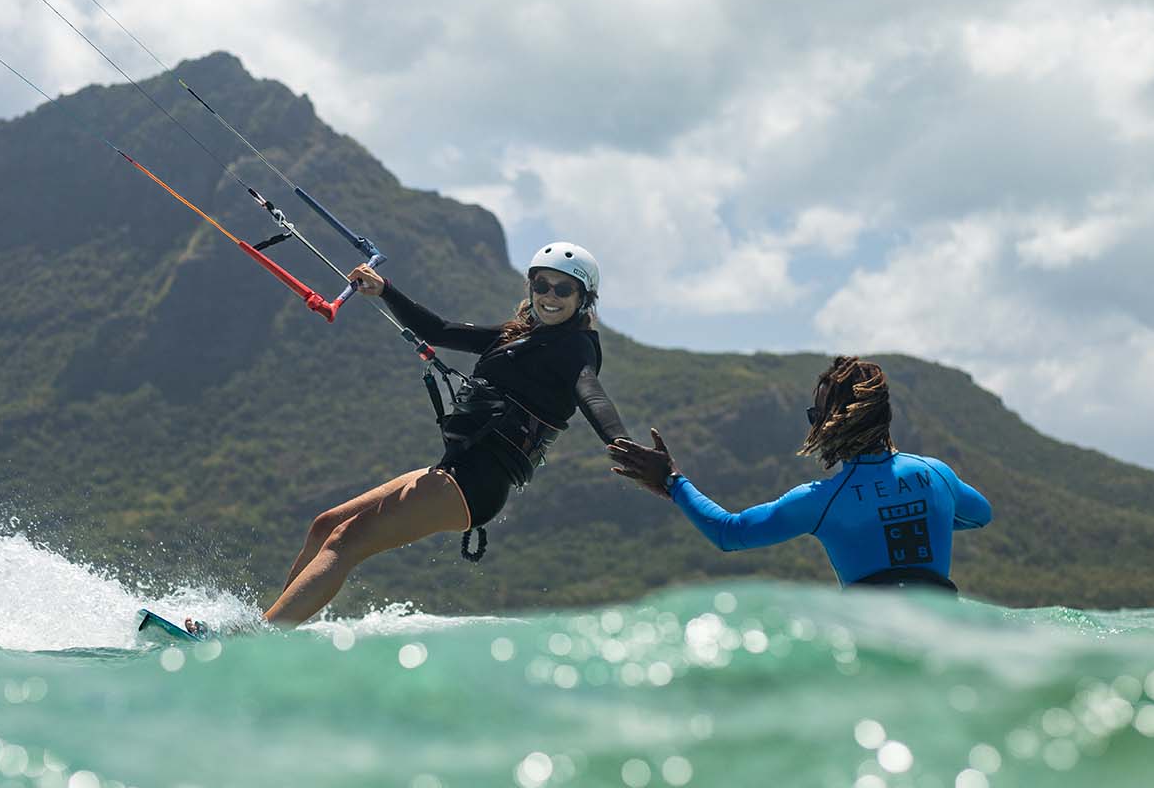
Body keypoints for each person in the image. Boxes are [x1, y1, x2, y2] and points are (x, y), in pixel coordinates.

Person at [262, 243, 637, 624]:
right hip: (455, 469)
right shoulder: (516, 335)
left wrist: (620, 444)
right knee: (325, 525)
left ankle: (260, 639)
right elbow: (438, 330)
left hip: (478, 483)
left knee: (346, 542)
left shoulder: (576, 347)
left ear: (583, 298)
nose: (549, 297)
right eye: (542, 285)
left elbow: (591, 391)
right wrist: (385, 289)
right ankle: (275, 621)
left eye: (563, 290)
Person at [607, 356, 991, 592]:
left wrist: (673, 481)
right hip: (943, 630)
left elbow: (729, 532)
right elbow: (980, 515)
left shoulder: (821, 501)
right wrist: (917, 514)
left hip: (878, 637)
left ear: (830, 424)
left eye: (815, 416)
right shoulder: (936, 475)